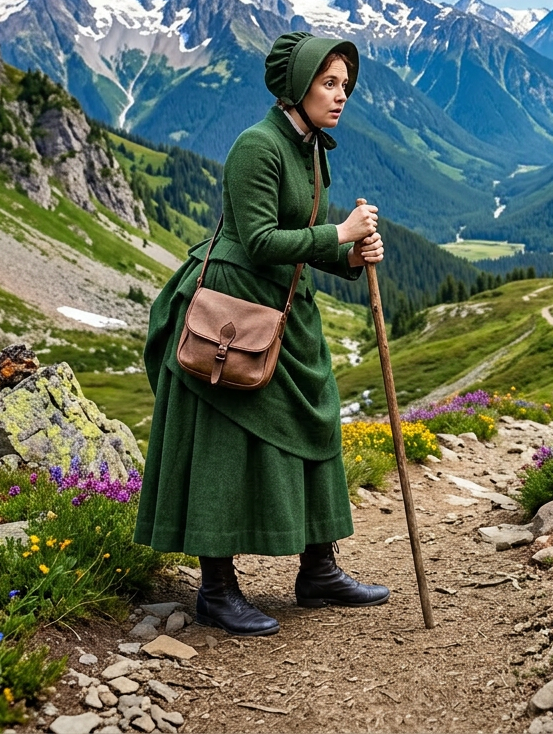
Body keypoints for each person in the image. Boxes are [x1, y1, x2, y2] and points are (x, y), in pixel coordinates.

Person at [134, 31, 390, 636]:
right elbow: (257, 240)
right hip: (231, 310)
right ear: (297, 86)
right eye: (329, 83)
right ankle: (216, 591)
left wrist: (348, 258)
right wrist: (341, 234)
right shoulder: (258, 145)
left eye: (345, 85)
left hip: (281, 300)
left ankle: (319, 569)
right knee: (224, 444)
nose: (340, 95)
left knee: (316, 417)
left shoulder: (308, 148)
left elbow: (293, 239)